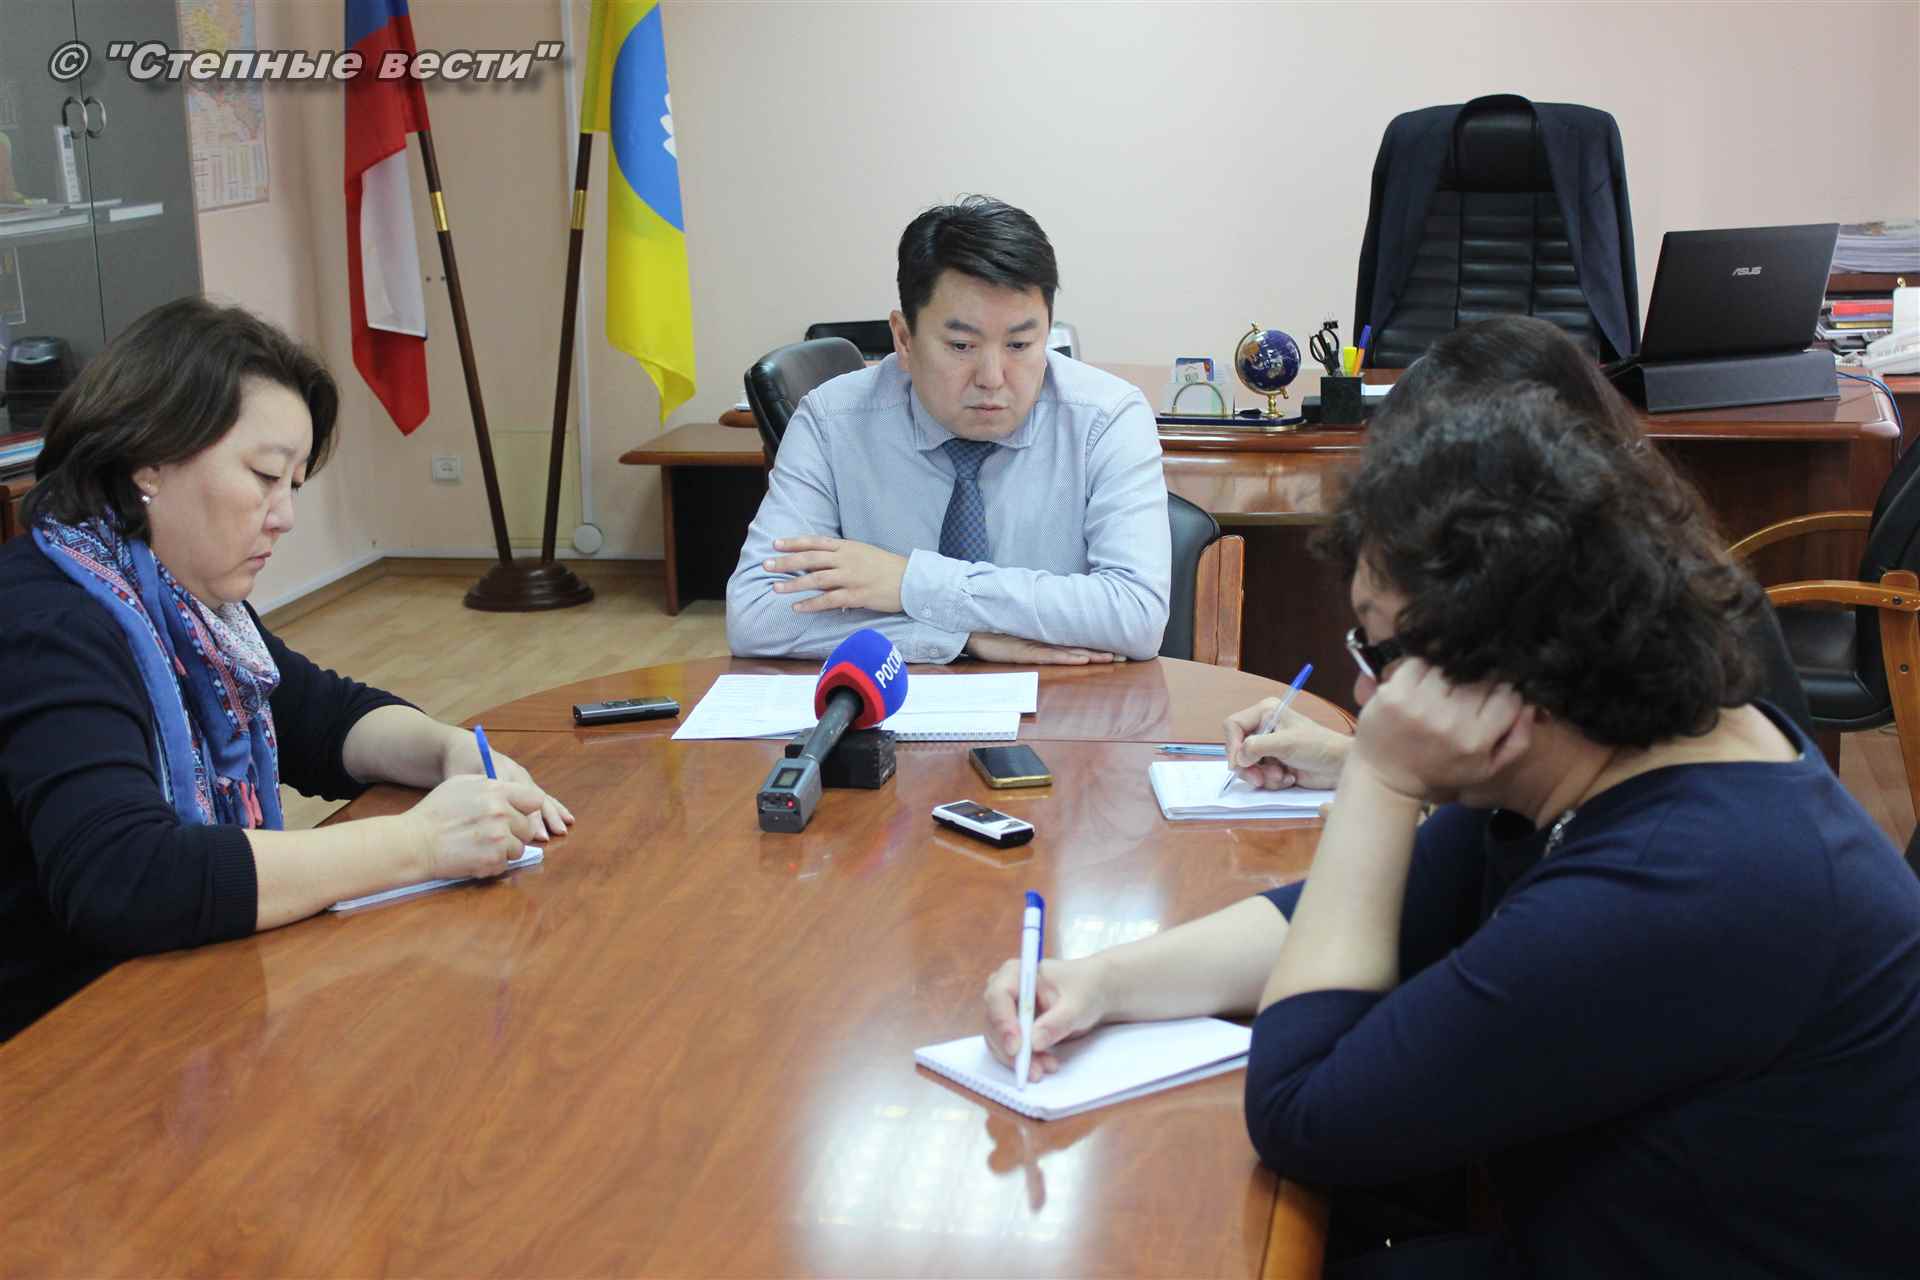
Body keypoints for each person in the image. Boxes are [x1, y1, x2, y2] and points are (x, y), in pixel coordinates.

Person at [979, 318, 1920, 1277]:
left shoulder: (1678, 880)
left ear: (1505, 654)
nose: (1363, 691)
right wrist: (1101, 982)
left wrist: (1380, 779)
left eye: (1379, 650)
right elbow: (1345, 912)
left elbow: (1304, 1113)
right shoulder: (1605, 749)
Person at [0, 298, 573, 1041]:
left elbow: (320, 716)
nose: (284, 516)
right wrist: (419, 845)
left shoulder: (186, 603)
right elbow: (125, 877)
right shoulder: (49, 618)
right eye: (265, 476)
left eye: (294, 484)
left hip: (170, 1002)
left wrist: (446, 750)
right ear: (149, 460)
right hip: (57, 1044)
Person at [725, 196, 1171, 665]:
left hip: (1072, 697)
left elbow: (1137, 614)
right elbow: (757, 614)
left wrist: (911, 583)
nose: (992, 378)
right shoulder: (831, 422)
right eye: (961, 345)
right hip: (892, 700)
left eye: (1020, 344)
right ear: (904, 339)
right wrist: (959, 638)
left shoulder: (1107, 418)